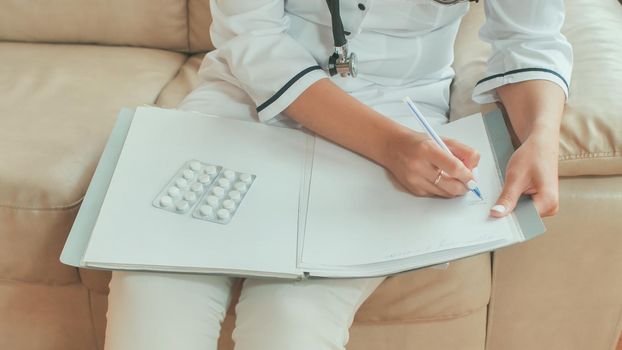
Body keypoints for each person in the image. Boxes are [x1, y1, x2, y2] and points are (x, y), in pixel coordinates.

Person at [104, 1, 572, 349]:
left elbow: (528, 41)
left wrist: (541, 136)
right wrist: (389, 146)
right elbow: (250, 37)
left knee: (292, 323)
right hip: (242, 98)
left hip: (402, 109)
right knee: (152, 299)